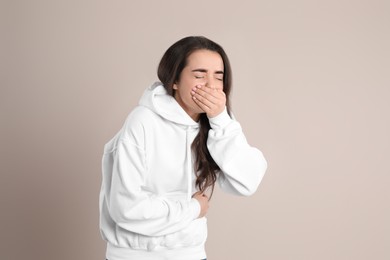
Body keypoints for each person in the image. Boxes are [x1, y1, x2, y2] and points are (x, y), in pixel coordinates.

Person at [99, 36, 267, 260]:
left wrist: (221, 120)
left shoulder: (216, 123)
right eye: (199, 75)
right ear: (174, 81)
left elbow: (247, 182)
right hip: (133, 256)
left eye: (219, 77)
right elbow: (127, 209)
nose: (210, 85)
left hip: (191, 254)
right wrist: (193, 209)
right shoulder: (142, 121)